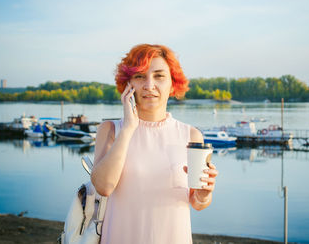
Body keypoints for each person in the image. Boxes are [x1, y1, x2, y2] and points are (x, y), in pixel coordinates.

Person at [91, 44, 218, 244]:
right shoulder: (110, 130)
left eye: (159, 76)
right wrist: (128, 128)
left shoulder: (191, 135)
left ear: (173, 84)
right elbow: (104, 187)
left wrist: (204, 194)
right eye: (140, 76)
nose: (149, 85)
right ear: (128, 84)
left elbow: (198, 202)